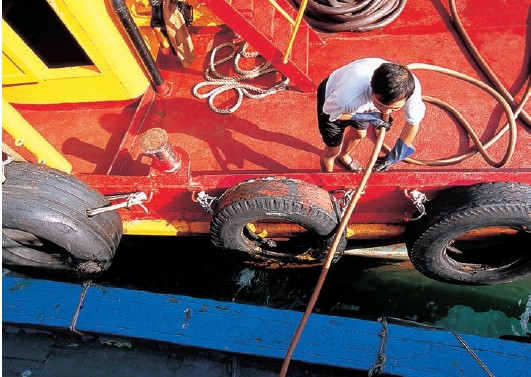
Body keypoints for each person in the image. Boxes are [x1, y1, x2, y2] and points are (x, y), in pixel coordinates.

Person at [317, 58, 426, 173]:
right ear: (371, 88)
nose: (386, 112)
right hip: (332, 103)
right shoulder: (346, 97)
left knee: (359, 134)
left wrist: (397, 153)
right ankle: (327, 181)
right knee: (332, 152)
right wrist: (362, 116)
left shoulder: (412, 91)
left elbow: (413, 123)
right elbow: (328, 113)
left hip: (363, 106)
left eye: (394, 108)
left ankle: (344, 156)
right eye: (381, 105)